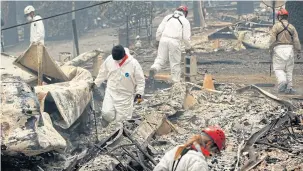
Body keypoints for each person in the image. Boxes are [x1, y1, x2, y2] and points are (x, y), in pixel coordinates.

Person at [92, 45, 145, 126]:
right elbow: (103, 72)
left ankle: (121, 134)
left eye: (118, 60)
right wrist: (96, 83)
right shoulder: (109, 59)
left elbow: (140, 81)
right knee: (107, 113)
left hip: (125, 96)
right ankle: (107, 122)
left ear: (124, 56)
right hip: (111, 91)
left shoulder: (133, 64)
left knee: (122, 122)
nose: (116, 62)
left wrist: (139, 95)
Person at [153, 125, 226, 171]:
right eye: (215, 152)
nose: (212, 155)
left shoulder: (178, 149)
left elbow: (159, 168)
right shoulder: (199, 163)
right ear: (209, 144)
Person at [150, 5, 192, 83]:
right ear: (185, 13)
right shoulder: (185, 21)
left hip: (163, 39)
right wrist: (188, 47)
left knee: (160, 58)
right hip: (175, 42)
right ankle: (175, 83)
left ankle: (154, 68)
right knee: (175, 63)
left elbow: (159, 30)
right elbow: (186, 37)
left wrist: (158, 40)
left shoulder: (168, 17)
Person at [269, 8, 301, 94]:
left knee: (279, 68)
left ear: (279, 16)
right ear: (287, 17)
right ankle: (289, 87)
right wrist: (298, 51)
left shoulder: (276, 26)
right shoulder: (291, 27)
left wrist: (270, 49)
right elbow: (296, 41)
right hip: (290, 50)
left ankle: (282, 81)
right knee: (289, 70)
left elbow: (272, 40)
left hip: (279, 49)